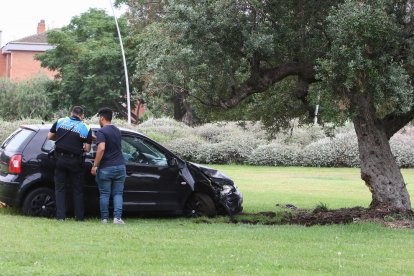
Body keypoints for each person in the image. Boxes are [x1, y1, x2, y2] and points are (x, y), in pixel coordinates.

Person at [48, 106, 92, 221]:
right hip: (75, 162)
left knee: (60, 189)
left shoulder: (60, 121)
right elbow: (87, 149)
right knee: (77, 189)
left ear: (71, 113)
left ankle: (61, 217)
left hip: (60, 160)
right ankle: (79, 217)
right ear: (82, 116)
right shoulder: (85, 127)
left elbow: (50, 136)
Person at [91, 107, 126, 224]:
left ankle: (105, 219)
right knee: (118, 193)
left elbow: (101, 148)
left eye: (98, 119)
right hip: (120, 166)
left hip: (106, 167)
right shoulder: (117, 130)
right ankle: (117, 218)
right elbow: (112, 143)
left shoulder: (101, 132)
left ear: (102, 118)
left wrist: (95, 165)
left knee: (105, 194)